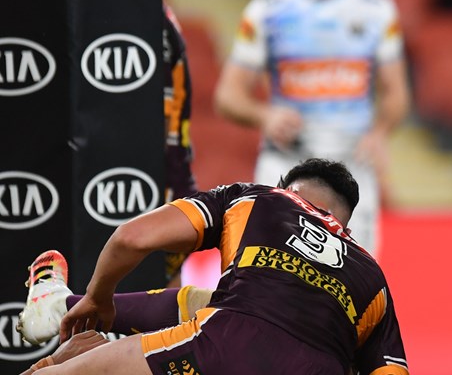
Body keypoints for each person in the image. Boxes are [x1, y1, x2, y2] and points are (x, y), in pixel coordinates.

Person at [17, 158, 409, 374]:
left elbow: (131, 238)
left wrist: (98, 298)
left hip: (224, 347)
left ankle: (58, 308)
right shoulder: (372, 276)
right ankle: (57, 306)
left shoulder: (257, 198)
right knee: (214, 298)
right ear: (345, 226)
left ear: (286, 191)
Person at [214, 0, 409, 255]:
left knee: (355, 274)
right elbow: (228, 96)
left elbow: (396, 92)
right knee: (273, 269)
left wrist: (380, 132)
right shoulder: (266, 11)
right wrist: (265, 115)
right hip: (286, 162)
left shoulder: (377, 10)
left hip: (352, 165)